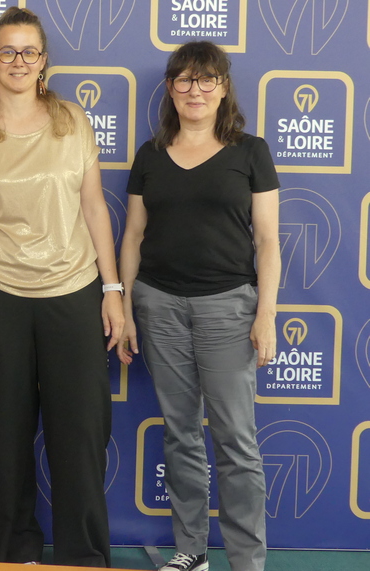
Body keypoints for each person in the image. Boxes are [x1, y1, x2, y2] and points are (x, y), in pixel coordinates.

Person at [0, 7, 123, 567]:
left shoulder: (73, 121)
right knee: (10, 435)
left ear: (43, 61)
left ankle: (84, 558)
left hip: (74, 289)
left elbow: (95, 207)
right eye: (7, 51)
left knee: (81, 434)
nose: (18, 61)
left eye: (29, 51)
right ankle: (13, 554)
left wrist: (113, 290)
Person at [118, 41, 280, 571]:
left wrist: (265, 314)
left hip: (229, 308)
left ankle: (247, 561)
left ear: (223, 87)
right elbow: (133, 236)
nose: (196, 90)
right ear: (170, 88)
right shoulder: (150, 154)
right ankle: (192, 551)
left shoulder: (250, 152)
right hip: (159, 305)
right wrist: (125, 307)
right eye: (185, 80)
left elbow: (268, 242)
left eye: (207, 79)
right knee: (181, 435)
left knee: (236, 441)